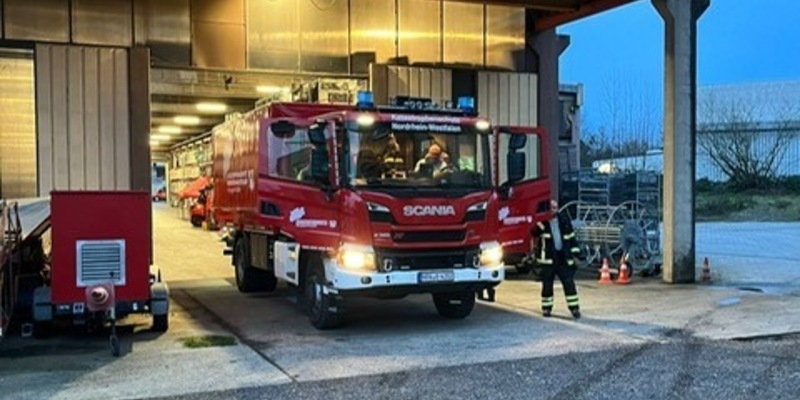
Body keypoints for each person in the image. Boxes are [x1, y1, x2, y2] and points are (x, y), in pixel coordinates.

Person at [531, 199, 582, 319]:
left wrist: (577, 254)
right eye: (551, 208)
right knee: (547, 286)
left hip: (563, 258)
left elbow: (571, 238)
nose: (553, 210)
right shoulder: (542, 222)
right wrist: (541, 223)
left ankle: (574, 308)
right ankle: (546, 309)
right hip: (548, 260)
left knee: (569, 284)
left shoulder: (564, 220)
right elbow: (533, 233)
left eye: (555, 208)